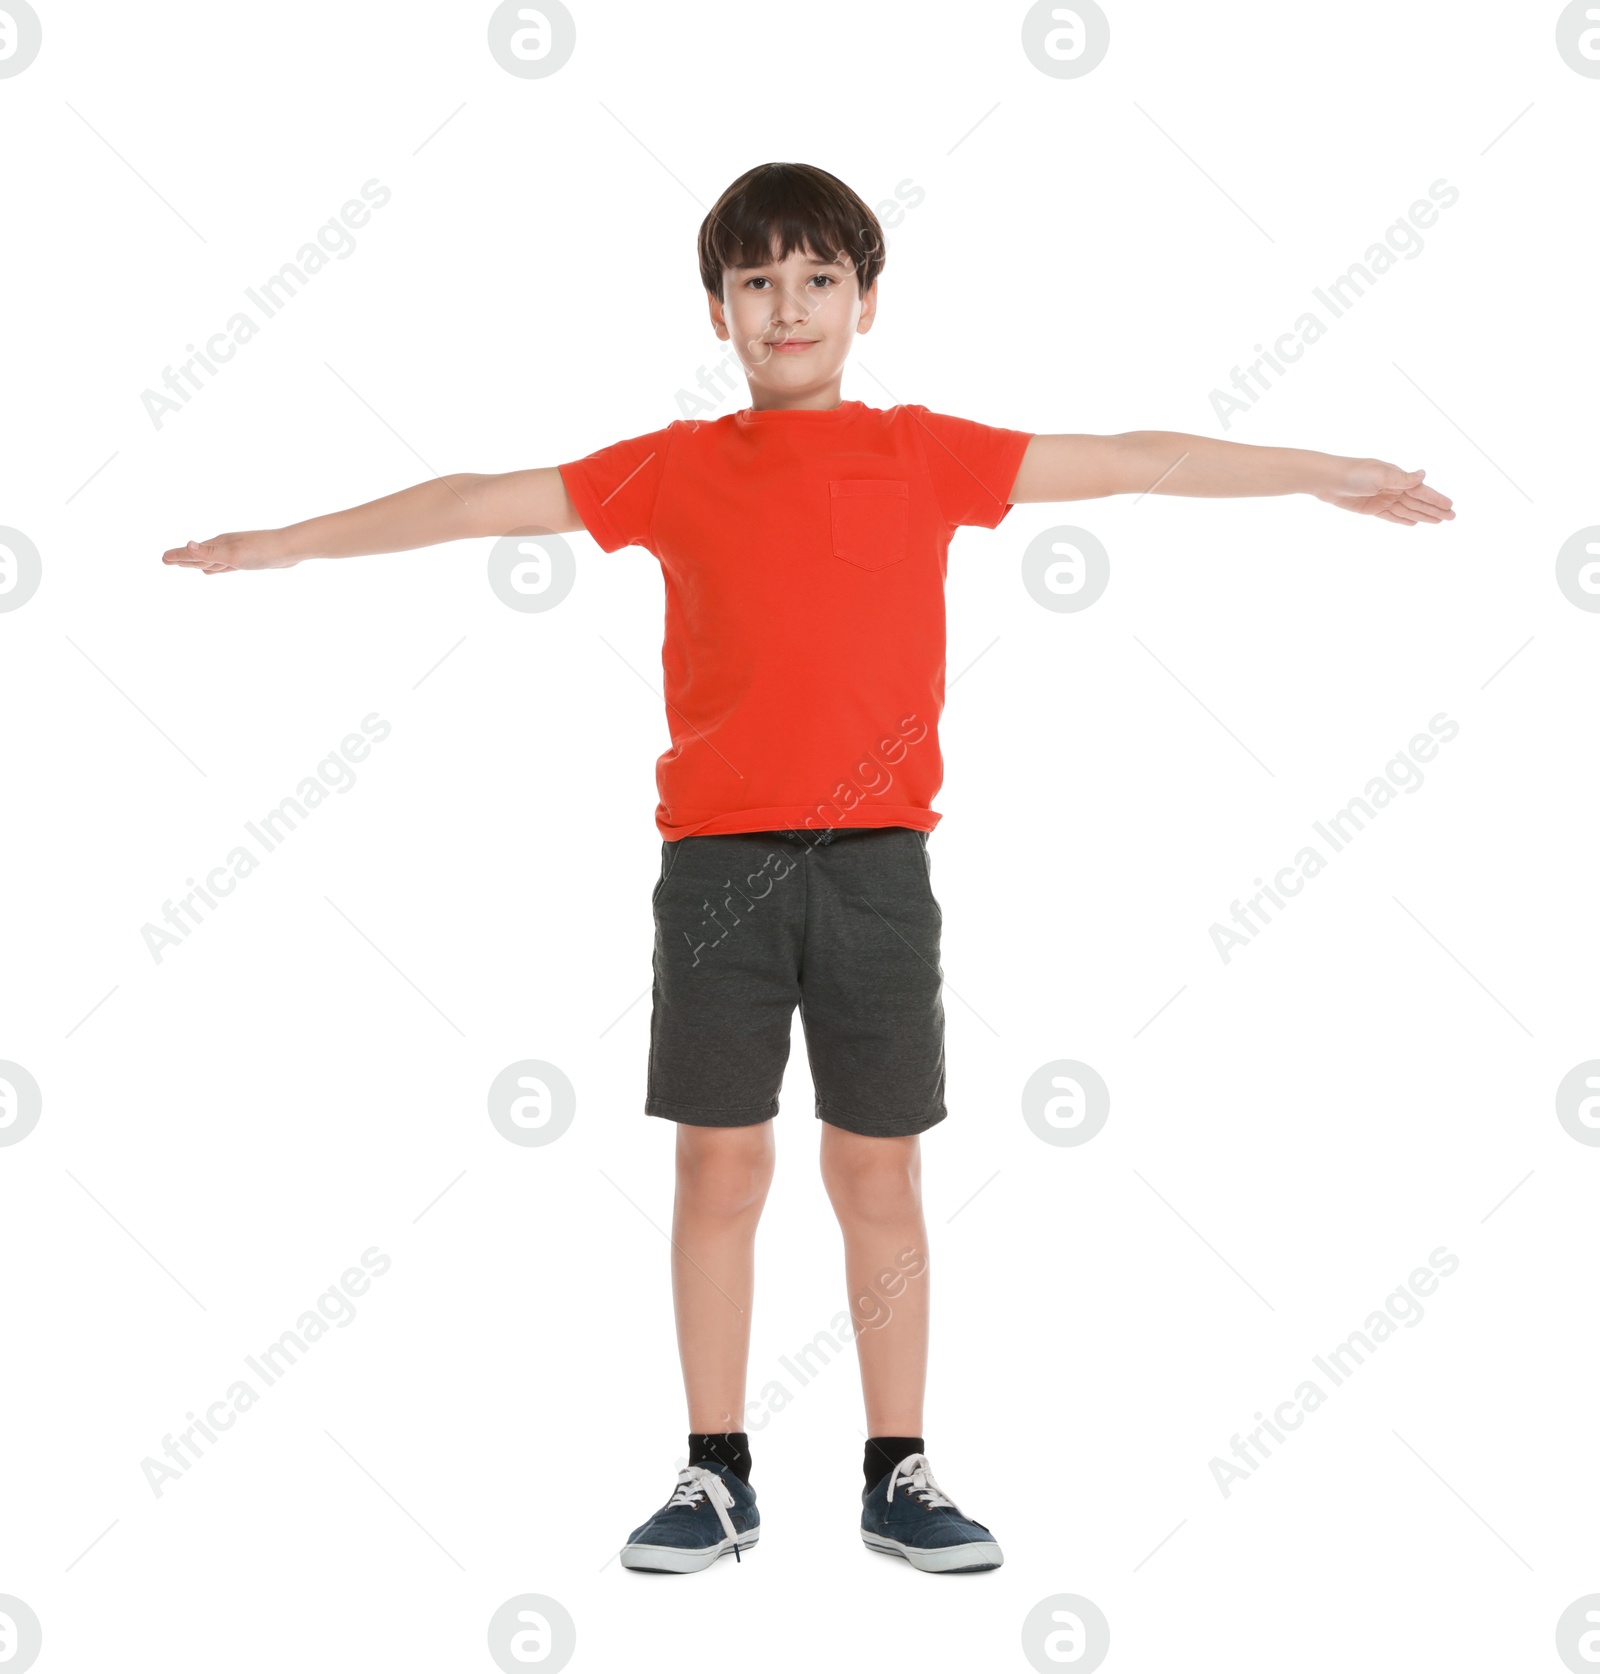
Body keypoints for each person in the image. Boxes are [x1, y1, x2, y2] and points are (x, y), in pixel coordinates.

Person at [162, 160, 1454, 1577]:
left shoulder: (922, 452)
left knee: (878, 1172)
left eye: (817, 279)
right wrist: (279, 546)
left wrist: (1326, 472)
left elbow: (1129, 453)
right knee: (719, 1166)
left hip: (880, 870)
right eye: (757, 282)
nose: (789, 306)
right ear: (716, 308)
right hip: (715, 866)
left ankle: (899, 1470)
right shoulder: (673, 465)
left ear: (866, 299)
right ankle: (716, 1472)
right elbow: (477, 499)